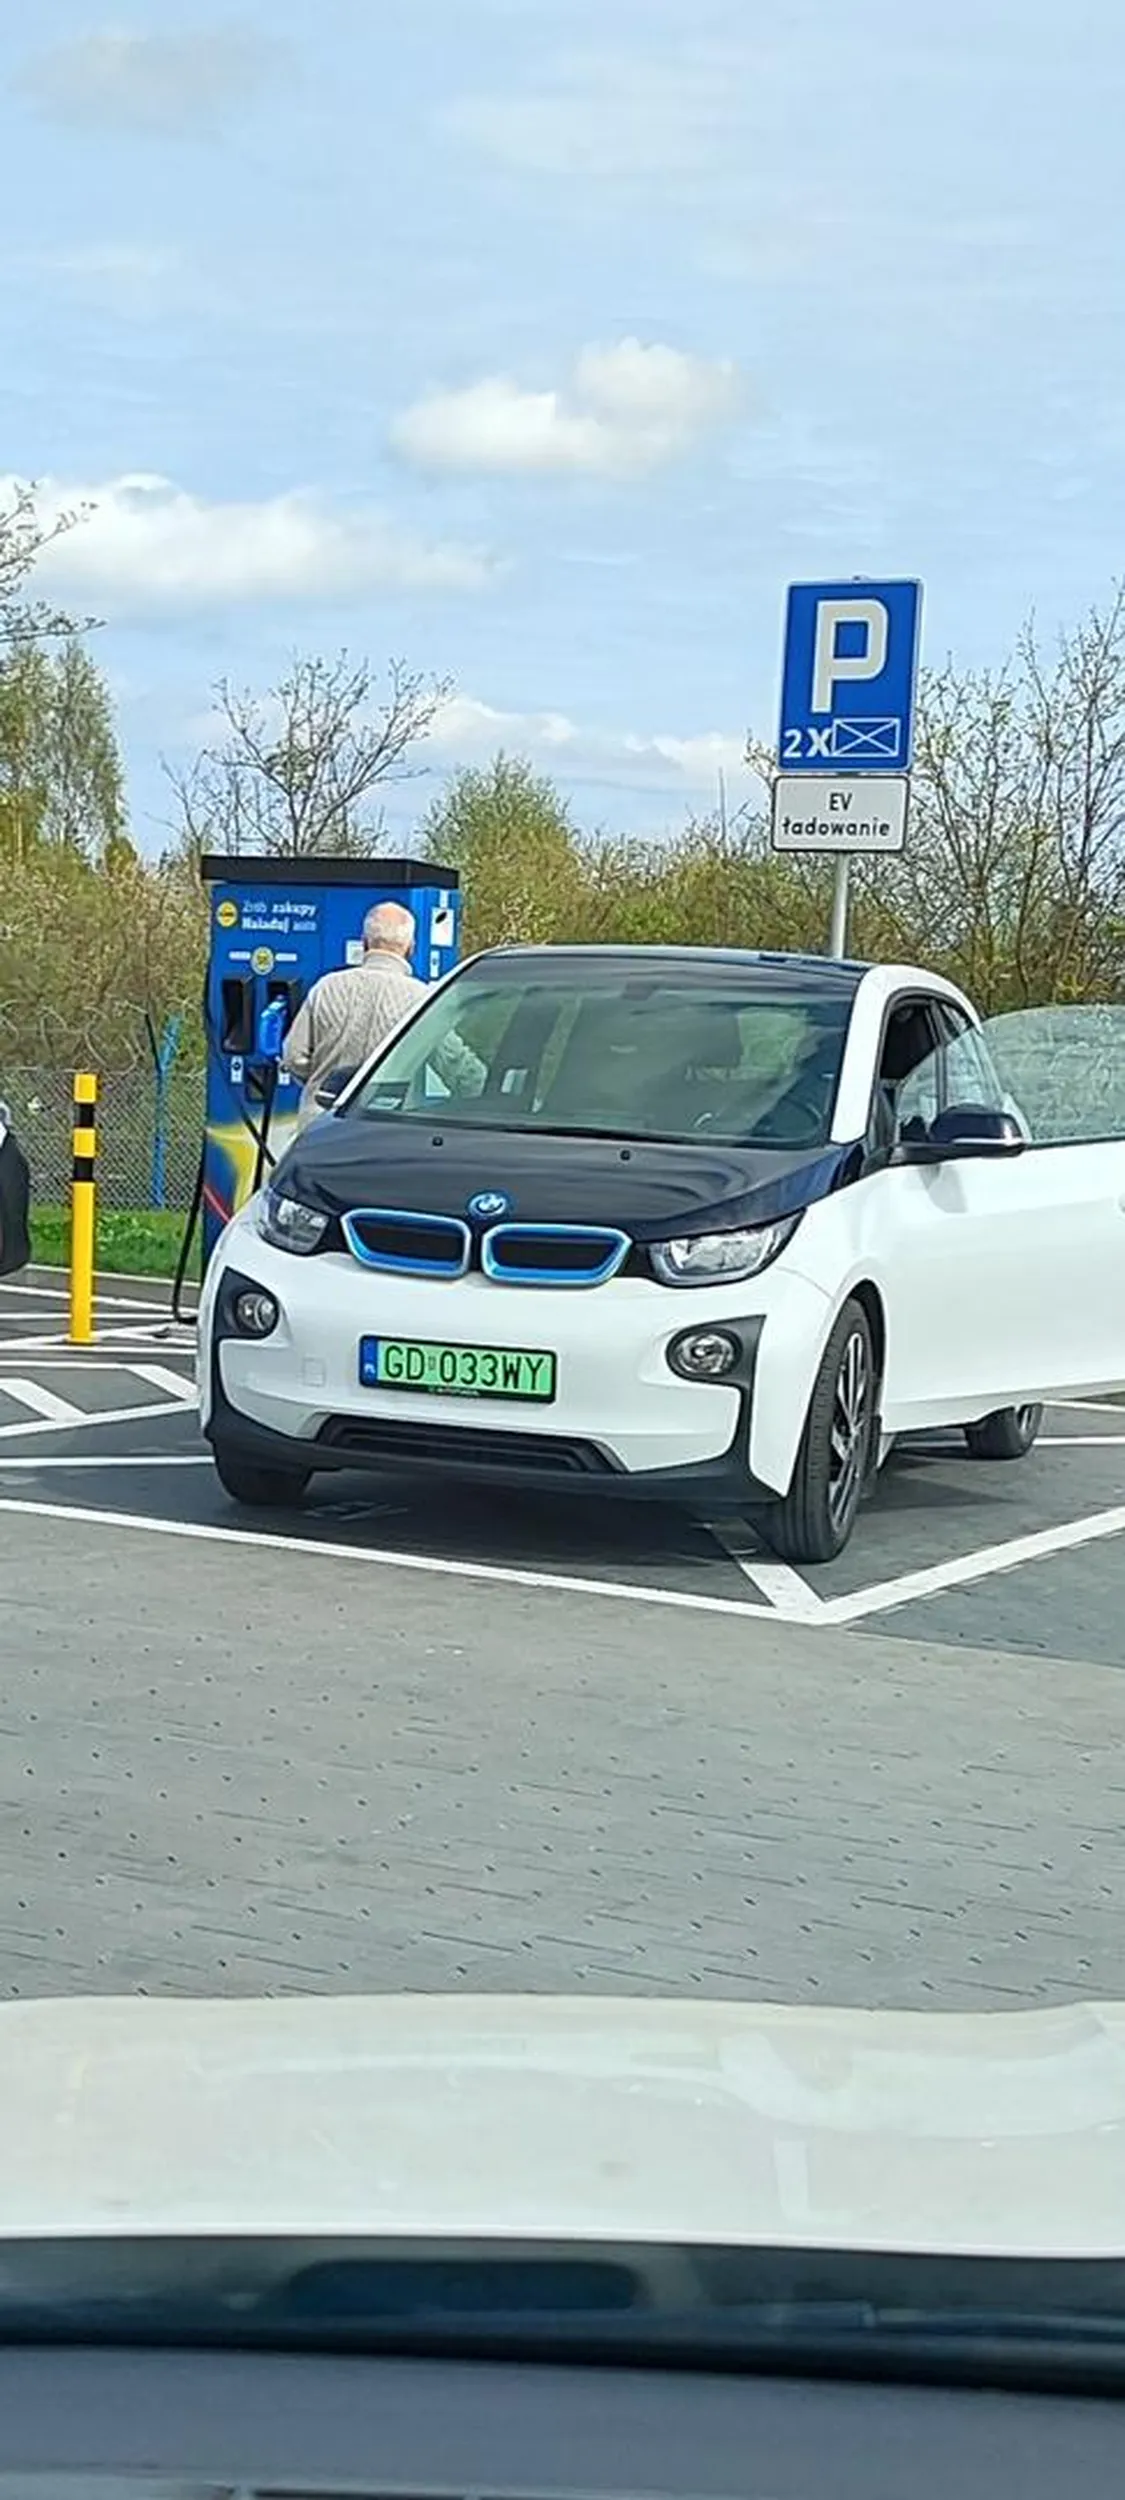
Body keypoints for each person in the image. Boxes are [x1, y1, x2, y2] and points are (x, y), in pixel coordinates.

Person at [282, 900, 431, 1127]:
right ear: (411, 947)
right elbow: (453, 1064)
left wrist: (322, 1081)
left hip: (318, 1125)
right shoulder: (423, 999)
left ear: (364, 942)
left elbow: (294, 1057)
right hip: (385, 1129)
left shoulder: (326, 987)